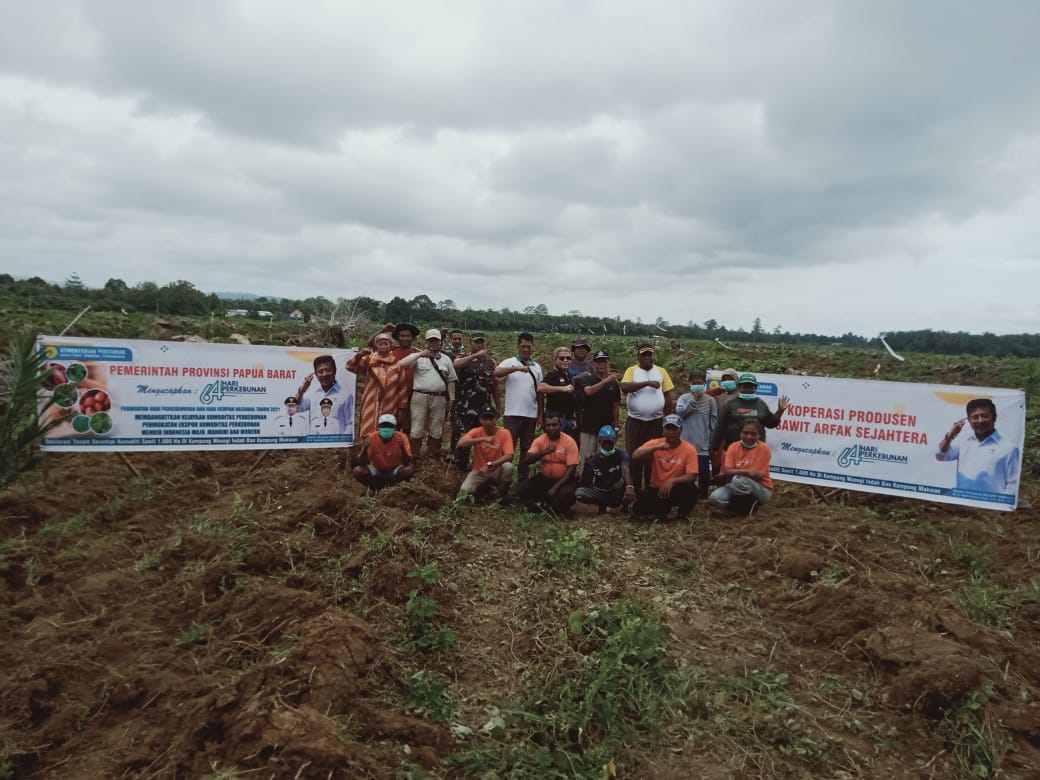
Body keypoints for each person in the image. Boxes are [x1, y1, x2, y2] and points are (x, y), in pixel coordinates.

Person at [621, 343, 675, 494]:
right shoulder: (632, 370)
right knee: (635, 455)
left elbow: (667, 395)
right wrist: (647, 383)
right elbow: (624, 387)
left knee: (654, 455)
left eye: (649, 354)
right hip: (636, 421)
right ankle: (635, 489)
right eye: (644, 355)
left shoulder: (661, 371)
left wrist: (668, 416)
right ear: (638, 356)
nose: (647, 357)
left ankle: (651, 489)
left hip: (656, 421)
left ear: (653, 356)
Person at [396, 329, 458, 462]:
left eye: (436, 340)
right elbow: (401, 365)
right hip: (419, 396)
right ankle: (415, 456)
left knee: (436, 427)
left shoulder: (446, 359)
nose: (434, 343)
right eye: (431, 340)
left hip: (439, 398)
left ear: (441, 342)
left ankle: (431, 456)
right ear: (426, 342)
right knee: (417, 427)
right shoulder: (418, 357)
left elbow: (451, 380)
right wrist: (419, 355)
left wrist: (451, 398)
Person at [936, 398, 1020, 494]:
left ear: (994, 417)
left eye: (984, 416)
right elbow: (940, 456)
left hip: (990, 506)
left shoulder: (1008, 447)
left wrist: (996, 506)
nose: (980, 421)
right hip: (962, 504)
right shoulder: (963, 443)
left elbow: (1013, 484)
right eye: (975, 417)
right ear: (969, 420)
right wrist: (950, 436)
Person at [630, 414, 699, 521]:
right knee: (638, 509)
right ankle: (661, 512)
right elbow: (635, 455)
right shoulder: (656, 443)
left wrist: (673, 481)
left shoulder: (690, 449)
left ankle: (682, 515)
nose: (670, 432)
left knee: (691, 489)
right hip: (657, 489)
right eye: (668, 428)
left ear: (681, 430)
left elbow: (692, 476)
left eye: (674, 428)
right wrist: (657, 447)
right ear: (663, 430)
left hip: (676, 488)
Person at [494, 332, 544, 472]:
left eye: (528, 346)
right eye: (523, 346)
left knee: (526, 449)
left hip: (531, 415)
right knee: (508, 448)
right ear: (518, 346)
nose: (526, 349)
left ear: (533, 347)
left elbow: (540, 393)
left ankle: (522, 481)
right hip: (512, 414)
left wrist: (540, 415)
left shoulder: (537, 367)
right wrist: (516, 368)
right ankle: (503, 477)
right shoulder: (510, 362)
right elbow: (496, 372)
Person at [451, 331, 500, 470]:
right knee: (463, 439)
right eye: (476, 342)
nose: (479, 345)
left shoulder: (491, 363)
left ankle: (481, 468)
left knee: (485, 440)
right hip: (464, 409)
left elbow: (495, 385)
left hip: (483, 410)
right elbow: (456, 364)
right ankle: (459, 468)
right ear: (470, 343)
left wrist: (498, 407)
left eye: (481, 342)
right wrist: (475, 356)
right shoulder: (463, 358)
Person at [710, 372, 790, 455]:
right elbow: (720, 426)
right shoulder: (730, 404)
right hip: (734, 449)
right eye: (744, 387)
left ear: (755, 388)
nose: (747, 390)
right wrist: (714, 446)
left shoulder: (761, 404)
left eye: (750, 387)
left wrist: (780, 411)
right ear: (739, 387)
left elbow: (771, 423)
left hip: (756, 451)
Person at [518, 413, 580, 514]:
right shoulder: (540, 440)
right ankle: (546, 506)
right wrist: (544, 452)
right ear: (544, 427)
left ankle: (549, 506)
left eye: (554, 425)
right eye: (548, 425)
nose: (551, 428)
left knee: (566, 495)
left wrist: (555, 488)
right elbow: (527, 459)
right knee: (523, 488)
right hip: (545, 478)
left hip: (564, 480)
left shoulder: (569, 442)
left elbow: (572, 469)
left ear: (560, 426)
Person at [709, 418, 773, 516]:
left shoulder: (764, 448)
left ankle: (735, 510)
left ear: (758, 435)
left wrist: (736, 472)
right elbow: (727, 471)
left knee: (738, 480)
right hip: (736, 484)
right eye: (746, 433)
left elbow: (757, 476)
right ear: (740, 433)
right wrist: (746, 472)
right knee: (715, 497)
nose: (749, 436)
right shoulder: (733, 447)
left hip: (761, 489)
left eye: (753, 434)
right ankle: (746, 508)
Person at [346, 331, 403, 438]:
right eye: (380, 344)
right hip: (371, 401)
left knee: (387, 428)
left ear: (390, 346)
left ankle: (384, 452)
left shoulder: (397, 364)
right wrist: (359, 355)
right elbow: (350, 367)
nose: (383, 346)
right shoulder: (368, 360)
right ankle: (367, 451)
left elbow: (402, 387)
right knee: (368, 427)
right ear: (375, 346)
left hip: (390, 402)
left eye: (386, 344)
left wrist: (402, 406)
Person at [456, 405, 514, 502]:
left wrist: (490, 464)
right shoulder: (476, 432)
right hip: (479, 471)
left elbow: (510, 455)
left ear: (495, 419)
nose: (488, 421)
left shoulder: (505, 433)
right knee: (464, 491)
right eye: (485, 418)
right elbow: (460, 444)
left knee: (508, 467)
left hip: (496, 470)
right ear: (480, 420)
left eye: (491, 418)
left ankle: (500, 497)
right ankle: (483, 490)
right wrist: (482, 439)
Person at [675, 369, 718, 499]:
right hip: (685, 442)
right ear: (690, 383)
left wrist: (712, 439)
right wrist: (693, 400)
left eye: (699, 383)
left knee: (704, 471)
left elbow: (714, 421)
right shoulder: (683, 398)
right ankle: (685, 494)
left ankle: (702, 494)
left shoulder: (710, 401)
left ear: (704, 383)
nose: (697, 385)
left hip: (702, 443)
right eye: (694, 383)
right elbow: (680, 414)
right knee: (685, 471)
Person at [574, 350, 621, 464]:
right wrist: (606, 380)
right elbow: (589, 392)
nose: (601, 364)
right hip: (588, 426)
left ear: (607, 363)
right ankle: (585, 480)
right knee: (587, 458)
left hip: (606, 427)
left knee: (605, 458)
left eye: (604, 361)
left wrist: (616, 426)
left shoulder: (613, 384)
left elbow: (615, 406)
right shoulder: (587, 379)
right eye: (598, 361)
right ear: (593, 364)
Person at [575, 425, 633, 514]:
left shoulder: (621, 454)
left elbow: (625, 469)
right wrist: (587, 465)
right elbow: (585, 483)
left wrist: (629, 487)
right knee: (579, 493)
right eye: (605, 442)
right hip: (600, 490)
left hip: (615, 489)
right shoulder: (593, 459)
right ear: (599, 441)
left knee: (625, 480)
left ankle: (623, 506)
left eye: (610, 442)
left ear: (614, 441)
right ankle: (602, 505)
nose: (607, 445)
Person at [353, 413, 414, 490]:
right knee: (358, 471)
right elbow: (362, 463)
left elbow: (407, 462)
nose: (386, 428)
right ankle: (374, 487)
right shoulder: (371, 438)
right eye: (384, 426)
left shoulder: (401, 437)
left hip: (395, 469)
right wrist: (365, 448)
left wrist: (402, 447)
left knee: (408, 470)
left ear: (394, 428)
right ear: (379, 427)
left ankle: (396, 488)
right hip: (377, 469)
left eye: (389, 426)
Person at [295, 354, 353, 434]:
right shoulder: (313, 395)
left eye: (328, 370)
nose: (324, 374)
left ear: (335, 370)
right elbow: (296, 408)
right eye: (320, 371)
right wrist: (302, 390)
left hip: (337, 444)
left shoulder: (346, 395)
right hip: (315, 444)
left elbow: (350, 424)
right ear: (316, 374)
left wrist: (341, 443)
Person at [538, 346, 577, 436]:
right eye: (561, 358)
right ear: (555, 360)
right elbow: (540, 388)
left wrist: (573, 418)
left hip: (568, 418)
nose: (565, 360)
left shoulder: (569, 376)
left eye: (568, 358)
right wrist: (562, 388)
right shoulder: (553, 375)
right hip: (555, 418)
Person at [391, 322, 421, 433]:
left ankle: (407, 449)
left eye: (408, 336)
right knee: (394, 423)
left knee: (410, 426)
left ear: (412, 337)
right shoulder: (391, 354)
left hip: (414, 395)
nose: (405, 338)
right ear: (397, 337)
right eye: (402, 336)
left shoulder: (419, 354)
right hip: (394, 395)